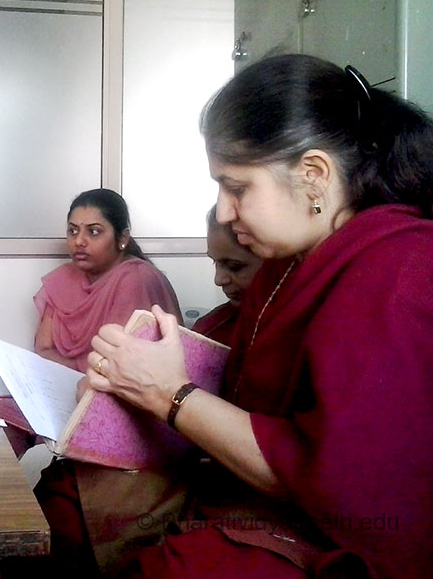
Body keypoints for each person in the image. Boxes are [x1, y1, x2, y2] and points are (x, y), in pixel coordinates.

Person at [84, 55, 433, 578]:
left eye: (237, 187)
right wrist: (123, 389)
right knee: (68, 495)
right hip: (246, 497)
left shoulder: (399, 270)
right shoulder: (286, 262)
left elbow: (339, 483)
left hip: (336, 535)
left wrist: (168, 393)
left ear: (314, 175)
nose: (224, 212)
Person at [33, 188, 182, 373]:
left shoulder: (134, 278)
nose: (79, 241)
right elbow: (43, 349)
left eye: (93, 232)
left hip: (119, 388)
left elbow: (118, 364)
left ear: (123, 238)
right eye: (73, 231)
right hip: (63, 383)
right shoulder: (63, 279)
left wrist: (77, 372)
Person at [192, 205, 262, 345]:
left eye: (234, 266)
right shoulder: (210, 330)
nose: (218, 280)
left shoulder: (303, 333)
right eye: (215, 262)